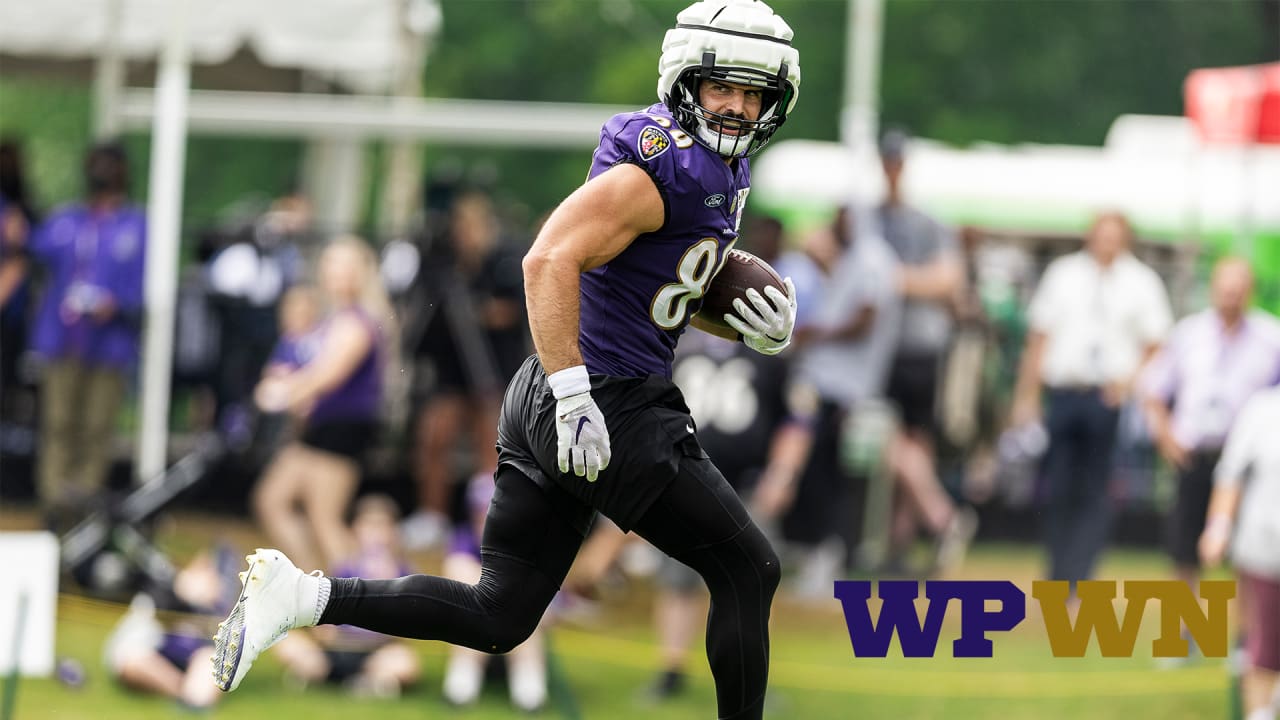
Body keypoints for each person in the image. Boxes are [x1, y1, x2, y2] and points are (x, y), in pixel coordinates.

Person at [211, 4, 801, 719]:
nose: (738, 107)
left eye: (754, 93)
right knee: (748, 567)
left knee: (498, 615)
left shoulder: (713, 169)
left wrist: (745, 326)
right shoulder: (662, 169)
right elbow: (547, 258)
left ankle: (303, 595)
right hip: (606, 400)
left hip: (560, 397)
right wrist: (576, 394)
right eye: (723, 88)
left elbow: (657, 286)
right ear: (686, 82)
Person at [1011, 211, 1173, 591]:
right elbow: (1039, 337)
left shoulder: (1141, 282)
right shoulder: (1064, 275)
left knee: (1095, 489)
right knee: (1058, 485)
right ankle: (1057, 572)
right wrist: (1028, 395)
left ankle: (1081, 576)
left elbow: (1157, 344)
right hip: (1065, 391)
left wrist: (1128, 383)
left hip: (1107, 397)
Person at [1140, 258, 1280, 642]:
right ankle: (1180, 637)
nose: (1231, 296)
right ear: (1213, 289)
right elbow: (1153, 390)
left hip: (1245, 465)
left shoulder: (1271, 338)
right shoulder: (1189, 334)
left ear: (1250, 291)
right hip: (1195, 455)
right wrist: (1166, 438)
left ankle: (1246, 639)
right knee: (1184, 552)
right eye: (1225, 288)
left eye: (1238, 288)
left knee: (1248, 556)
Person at [20, 142, 145, 526]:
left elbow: (145, 282)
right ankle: (54, 503)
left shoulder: (136, 224)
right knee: (58, 422)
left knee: (96, 426)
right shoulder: (67, 220)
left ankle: (83, 505)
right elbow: (31, 246)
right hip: (62, 339)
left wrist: (118, 303)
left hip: (109, 343)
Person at [251, 238, 393, 573]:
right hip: (320, 428)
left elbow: (328, 375)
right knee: (273, 499)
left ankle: (355, 605)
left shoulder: (357, 321)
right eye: (329, 264)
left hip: (342, 430)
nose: (333, 273)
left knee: (325, 519)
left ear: (360, 273)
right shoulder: (333, 319)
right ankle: (314, 587)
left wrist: (285, 392)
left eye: (342, 266)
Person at [401, 190, 528, 551]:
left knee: (491, 446)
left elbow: (511, 310)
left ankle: (489, 522)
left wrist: (480, 310)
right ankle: (432, 517)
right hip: (452, 368)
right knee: (434, 437)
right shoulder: (444, 263)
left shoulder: (506, 258)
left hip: (494, 367)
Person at [874, 129, 975, 570]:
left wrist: (891, 280)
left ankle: (934, 520)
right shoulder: (871, 216)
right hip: (889, 346)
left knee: (900, 439)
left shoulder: (926, 222)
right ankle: (907, 537)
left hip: (914, 346)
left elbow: (948, 280)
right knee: (905, 442)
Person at [273, 495, 421, 698]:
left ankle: (369, 680)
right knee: (287, 642)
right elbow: (322, 614)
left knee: (405, 664)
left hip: (377, 652)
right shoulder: (344, 569)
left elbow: (413, 622)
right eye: (369, 527)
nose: (376, 535)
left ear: (393, 533)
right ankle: (323, 672)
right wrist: (323, 629)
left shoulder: (406, 573)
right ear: (355, 532)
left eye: (382, 527)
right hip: (337, 649)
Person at [1200, 381, 1280, 720]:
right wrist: (1217, 529)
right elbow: (1231, 475)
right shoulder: (1263, 409)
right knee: (1263, 650)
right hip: (1266, 551)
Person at [439, 474, 548, 711]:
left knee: (521, 600)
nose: (487, 521)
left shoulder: (526, 543)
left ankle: (528, 683)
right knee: (465, 573)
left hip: (520, 638)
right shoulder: (462, 542)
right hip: (474, 636)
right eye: (481, 513)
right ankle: (464, 676)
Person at [103, 547, 242, 711]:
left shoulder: (219, 610)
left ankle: (192, 700)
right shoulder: (166, 585)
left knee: (208, 666)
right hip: (144, 653)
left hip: (189, 661)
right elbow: (157, 612)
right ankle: (183, 695)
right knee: (133, 662)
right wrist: (184, 592)